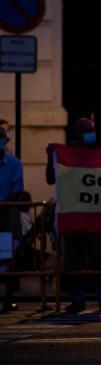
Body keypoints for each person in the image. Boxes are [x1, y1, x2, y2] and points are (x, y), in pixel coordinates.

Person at [45, 117, 101, 314]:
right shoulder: (67, 156)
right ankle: (78, 300)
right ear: (76, 133)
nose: (89, 133)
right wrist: (52, 158)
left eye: (90, 129)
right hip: (74, 216)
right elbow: (51, 178)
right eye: (85, 130)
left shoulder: (100, 156)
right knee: (73, 262)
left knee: (99, 261)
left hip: (95, 218)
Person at [0, 125, 25, 312]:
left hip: (7, 216)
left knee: (9, 258)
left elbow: (17, 192)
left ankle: (8, 298)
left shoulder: (15, 163)